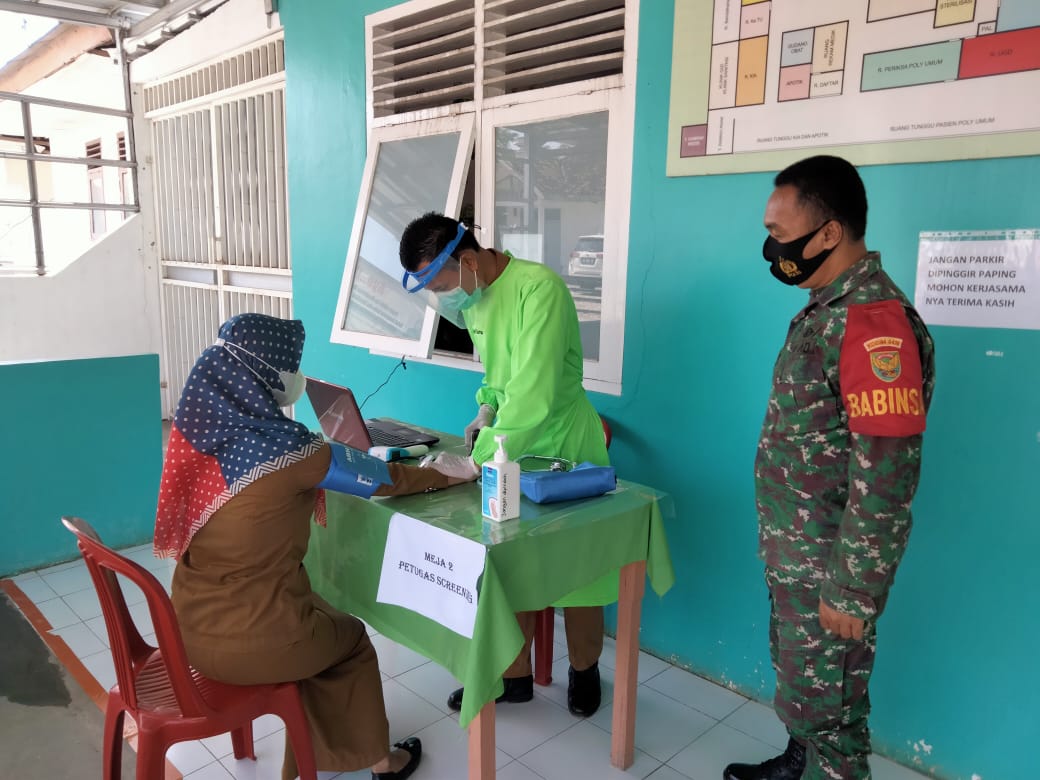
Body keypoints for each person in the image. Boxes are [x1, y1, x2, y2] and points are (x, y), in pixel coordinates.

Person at [153, 313, 465, 780]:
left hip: (189, 634)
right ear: (264, 377)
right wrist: (445, 472)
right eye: (289, 368)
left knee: (316, 617)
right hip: (258, 641)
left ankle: (321, 747)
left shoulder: (196, 440)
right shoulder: (291, 452)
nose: (295, 378)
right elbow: (383, 478)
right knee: (351, 640)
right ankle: (381, 762)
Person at [724, 156, 936, 780]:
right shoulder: (828, 307)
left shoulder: (873, 326)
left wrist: (853, 589)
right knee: (805, 692)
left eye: (783, 236)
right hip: (799, 554)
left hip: (830, 572)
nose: (772, 248)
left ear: (830, 234)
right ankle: (800, 762)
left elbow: (887, 479)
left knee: (832, 713)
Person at [399, 212, 610, 717]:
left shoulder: (541, 290)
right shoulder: (477, 298)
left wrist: (477, 460)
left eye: (443, 284)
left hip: (565, 447)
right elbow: (503, 377)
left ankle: (584, 668)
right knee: (509, 560)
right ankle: (511, 674)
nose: (443, 297)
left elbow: (535, 394)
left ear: (468, 260)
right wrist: (485, 409)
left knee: (579, 571)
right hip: (508, 445)